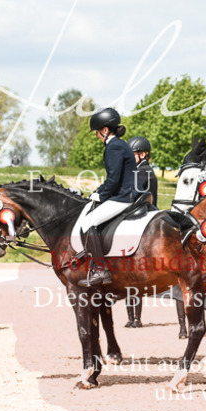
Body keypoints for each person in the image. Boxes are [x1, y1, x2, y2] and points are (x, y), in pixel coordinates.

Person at [76, 108, 137, 287]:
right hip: (122, 193)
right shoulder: (119, 144)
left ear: (104, 130)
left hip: (123, 197)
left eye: (97, 132)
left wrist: (100, 195)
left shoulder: (114, 146)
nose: (96, 136)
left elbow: (113, 179)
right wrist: (97, 192)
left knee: (88, 223)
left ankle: (101, 270)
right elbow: (112, 178)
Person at [124, 135, 157, 328]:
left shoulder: (143, 172)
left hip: (143, 213)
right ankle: (132, 318)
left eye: (133, 154)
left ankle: (135, 318)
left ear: (143, 154)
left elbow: (130, 195)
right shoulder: (138, 170)